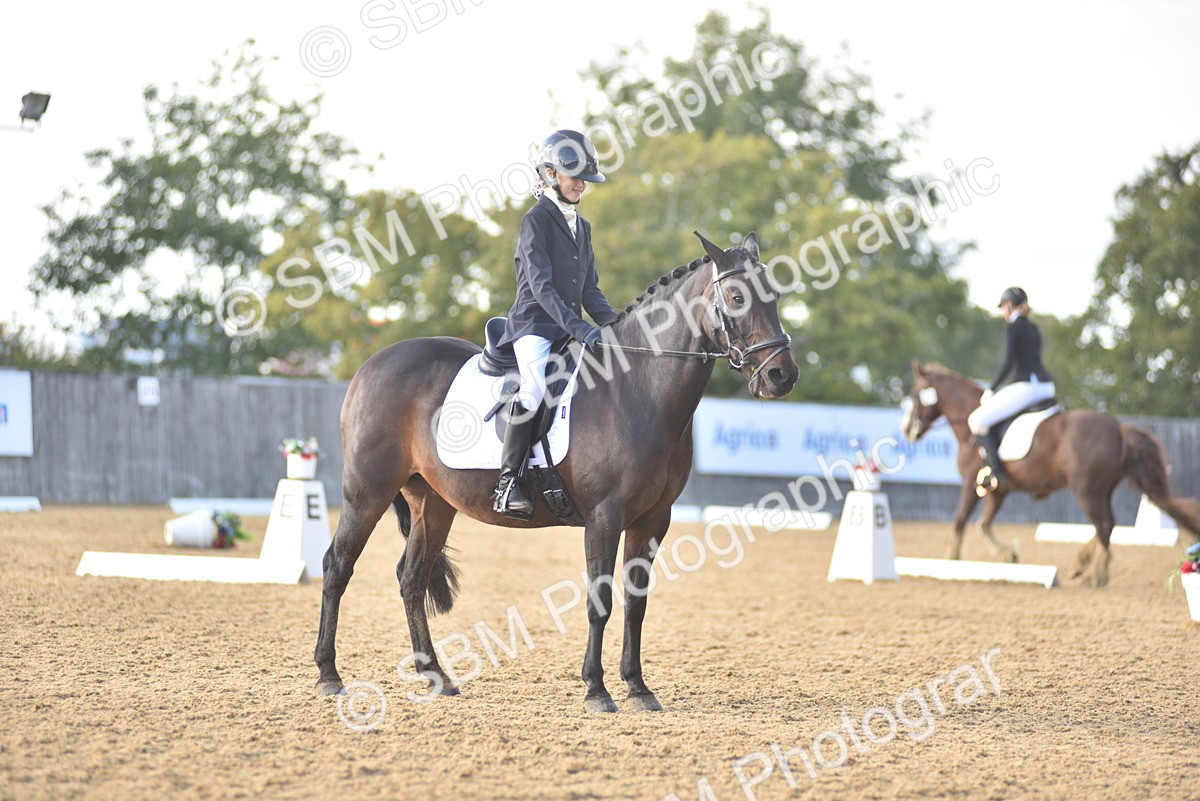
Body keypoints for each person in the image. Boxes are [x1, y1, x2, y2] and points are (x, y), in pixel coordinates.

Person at [492, 130, 619, 519]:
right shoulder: (536, 221)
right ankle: (508, 483)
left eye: (586, 179)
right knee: (532, 390)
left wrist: (619, 327)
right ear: (550, 173)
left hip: (566, 330)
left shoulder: (583, 226)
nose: (582, 184)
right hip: (533, 325)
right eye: (575, 176)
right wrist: (582, 329)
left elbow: (590, 291)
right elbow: (541, 288)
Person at [968, 287, 1056, 493]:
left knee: (976, 420)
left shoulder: (1012, 329)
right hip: (1046, 386)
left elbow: (1008, 364)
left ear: (1008, 306)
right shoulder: (1034, 328)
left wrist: (991, 388)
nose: (1003, 311)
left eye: (1003, 307)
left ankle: (996, 472)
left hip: (1027, 387)